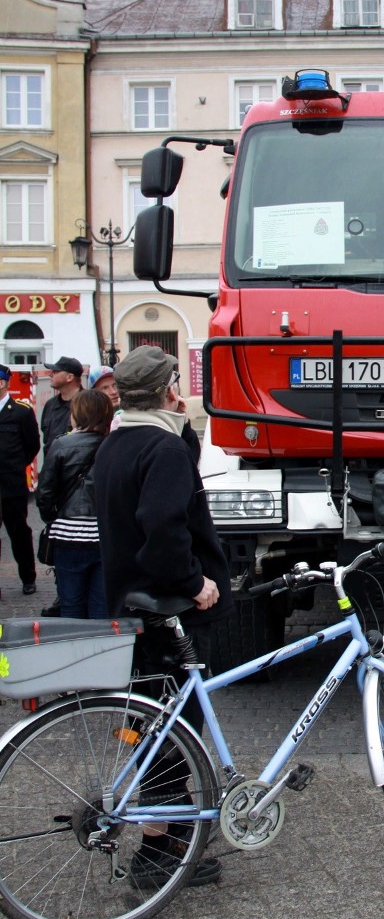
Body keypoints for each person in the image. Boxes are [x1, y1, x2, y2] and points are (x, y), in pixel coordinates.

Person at [94, 345, 232, 889]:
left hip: (127, 604)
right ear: (171, 390)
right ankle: (159, 853)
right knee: (169, 732)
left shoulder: (118, 442)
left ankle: (175, 835)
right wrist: (193, 582)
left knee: (150, 724)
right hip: (164, 611)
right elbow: (161, 524)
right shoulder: (162, 447)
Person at [35, 389, 112, 617]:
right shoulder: (113, 446)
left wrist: (54, 518)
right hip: (104, 537)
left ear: (77, 414)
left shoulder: (61, 445)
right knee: (101, 606)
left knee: (70, 604)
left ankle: (74, 649)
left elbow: (45, 494)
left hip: (66, 536)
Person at [0, 363, 40, 597]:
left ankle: (28, 577)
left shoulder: (21, 412)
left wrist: (14, 465)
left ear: (3, 383)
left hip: (11, 484)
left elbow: (32, 445)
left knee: (18, 533)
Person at [40, 356, 85, 456]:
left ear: (69, 377)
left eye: (55, 372)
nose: (50, 374)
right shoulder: (50, 405)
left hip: (75, 467)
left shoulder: (88, 404)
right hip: (52, 466)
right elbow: (46, 440)